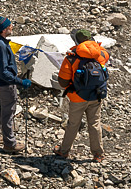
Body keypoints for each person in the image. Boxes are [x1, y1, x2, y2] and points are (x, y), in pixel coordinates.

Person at [55, 29, 110, 162]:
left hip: (77, 97)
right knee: (95, 124)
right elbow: (105, 54)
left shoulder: (71, 58)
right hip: (96, 95)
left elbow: (62, 82)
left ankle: (64, 151)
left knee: (73, 124)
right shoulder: (100, 55)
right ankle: (98, 154)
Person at [0, 15, 31, 153]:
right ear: (4, 29)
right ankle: (9, 144)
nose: (12, 27)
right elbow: (3, 72)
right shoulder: (1, 46)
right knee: (8, 112)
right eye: (9, 25)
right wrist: (20, 82)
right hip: (5, 84)